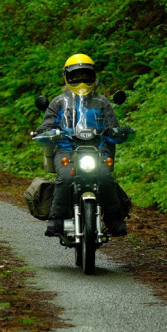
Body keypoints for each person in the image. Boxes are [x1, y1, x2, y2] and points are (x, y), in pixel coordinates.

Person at [37, 53, 128, 237]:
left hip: (97, 149)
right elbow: (47, 125)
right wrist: (46, 132)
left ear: (93, 75)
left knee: (106, 177)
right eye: (76, 76)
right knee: (65, 178)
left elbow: (113, 127)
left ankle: (115, 220)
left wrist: (117, 132)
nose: (81, 81)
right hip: (66, 148)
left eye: (85, 75)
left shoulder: (102, 102)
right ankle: (55, 219)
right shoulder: (58, 101)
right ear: (67, 76)